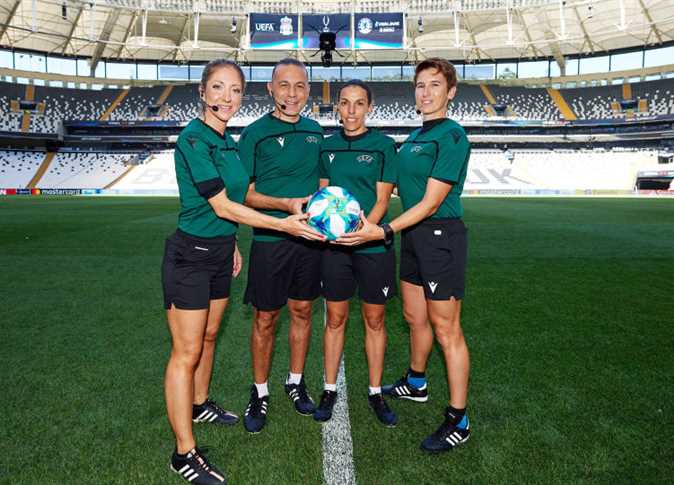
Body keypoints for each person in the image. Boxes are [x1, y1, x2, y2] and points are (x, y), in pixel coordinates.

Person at [162, 59, 323, 485]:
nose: (226, 98)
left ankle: (199, 404)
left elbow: (234, 198)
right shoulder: (193, 139)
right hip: (190, 255)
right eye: (218, 88)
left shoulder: (229, 141)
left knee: (211, 336)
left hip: (217, 252)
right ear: (202, 91)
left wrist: (231, 242)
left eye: (234, 91)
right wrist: (283, 221)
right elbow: (220, 204)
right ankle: (184, 452)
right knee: (186, 351)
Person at [337, 58, 472, 453]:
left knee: (448, 330)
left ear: (450, 92)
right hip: (413, 237)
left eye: (434, 85)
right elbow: (398, 189)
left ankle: (459, 418)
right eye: (419, 85)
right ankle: (417, 381)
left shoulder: (451, 137)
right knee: (415, 317)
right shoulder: (414, 137)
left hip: (440, 236)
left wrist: (383, 230)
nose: (425, 92)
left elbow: (431, 202)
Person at [238, 58, 324, 433]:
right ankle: (259, 391)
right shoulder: (254, 134)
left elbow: (323, 186)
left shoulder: (316, 131)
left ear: (308, 90)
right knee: (266, 318)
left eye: (300, 85)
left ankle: (295, 380)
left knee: (303, 311)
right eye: (284, 85)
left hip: (310, 240)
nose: (292, 93)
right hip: (271, 239)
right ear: (270, 89)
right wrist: (285, 206)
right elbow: (243, 193)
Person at [312, 80, 398, 427]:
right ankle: (329, 388)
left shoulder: (383, 147)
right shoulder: (326, 148)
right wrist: (335, 233)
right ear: (337, 108)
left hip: (372, 244)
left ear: (369, 108)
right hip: (335, 248)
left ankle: (375, 391)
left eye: (358, 104)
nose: (350, 111)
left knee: (375, 320)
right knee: (334, 318)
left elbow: (381, 200)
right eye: (345, 103)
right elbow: (322, 199)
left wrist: (362, 233)